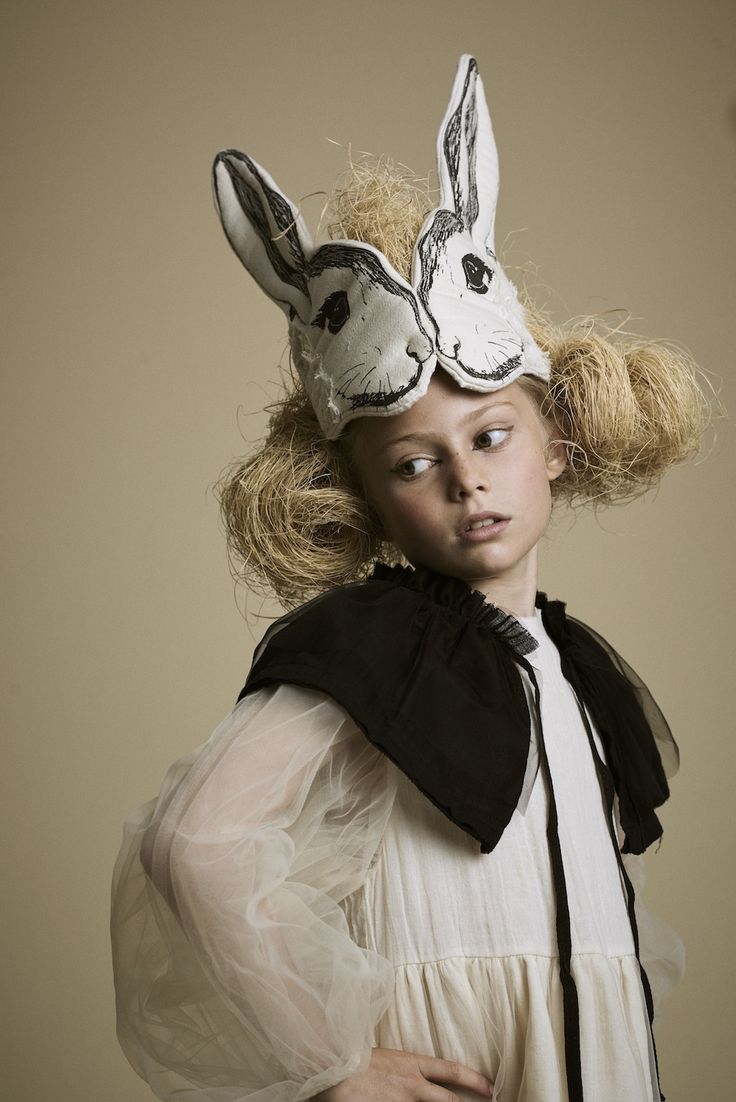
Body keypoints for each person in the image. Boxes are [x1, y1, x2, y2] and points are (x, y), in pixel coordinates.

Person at [111, 56, 706, 1102]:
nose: (467, 478)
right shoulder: (371, 650)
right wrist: (330, 1061)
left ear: (556, 440)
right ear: (368, 498)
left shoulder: (568, 670)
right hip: (460, 1063)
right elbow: (193, 841)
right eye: (414, 463)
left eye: (491, 435)